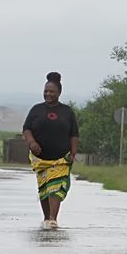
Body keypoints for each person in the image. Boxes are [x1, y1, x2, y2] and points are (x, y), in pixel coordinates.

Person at [22, 72, 79, 229]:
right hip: (41, 159)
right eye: (46, 91)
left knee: (56, 187)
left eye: (52, 91)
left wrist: (73, 153)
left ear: (59, 93)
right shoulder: (36, 110)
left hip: (61, 159)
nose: (48, 94)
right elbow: (26, 129)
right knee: (44, 189)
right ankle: (46, 218)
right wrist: (32, 142)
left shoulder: (67, 112)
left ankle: (53, 218)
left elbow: (74, 134)